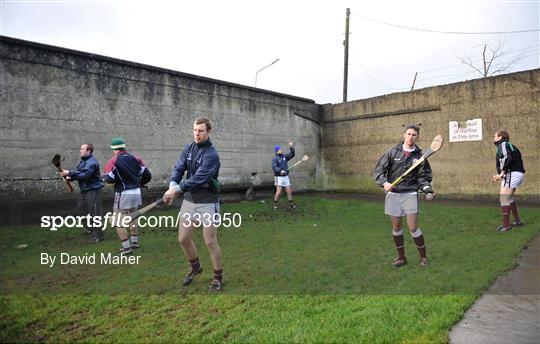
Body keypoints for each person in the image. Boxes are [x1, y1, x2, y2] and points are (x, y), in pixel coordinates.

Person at [163, 116, 223, 292]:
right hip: (190, 200)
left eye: (201, 131)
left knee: (210, 242)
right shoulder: (188, 148)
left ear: (208, 131)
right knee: (183, 238)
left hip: (207, 201)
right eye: (195, 130)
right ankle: (196, 267)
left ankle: (218, 277)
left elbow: (199, 178)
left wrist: (177, 189)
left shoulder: (212, 155)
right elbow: (179, 168)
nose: (197, 134)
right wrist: (172, 184)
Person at [374, 124, 435, 267]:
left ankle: (423, 258)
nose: (411, 137)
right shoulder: (392, 152)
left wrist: (427, 189)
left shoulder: (420, 156)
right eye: (409, 134)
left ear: (417, 137)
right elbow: (379, 171)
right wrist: (384, 183)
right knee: (396, 227)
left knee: (413, 227)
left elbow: (423, 176)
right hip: (394, 193)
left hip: (410, 193)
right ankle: (401, 258)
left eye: (414, 135)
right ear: (404, 135)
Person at [103, 137, 151, 255]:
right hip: (136, 192)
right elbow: (147, 175)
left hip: (123, 193)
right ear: (124, 147)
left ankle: (126, 248)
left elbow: (108, 179)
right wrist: (139, 183)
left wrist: (111, 180)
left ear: (113, 149)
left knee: (118, 221)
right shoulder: (136, 158)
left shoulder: (113, 161)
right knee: (132, 216)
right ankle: (134, 242)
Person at [60, 143, 104, 243]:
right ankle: (90, 229)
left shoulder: (92, 162)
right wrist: (70, 178)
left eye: (82, 149)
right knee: (81, 210)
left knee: (95, 213)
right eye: (81, 149)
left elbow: (85, 175)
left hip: (93, 191)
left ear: (89, 151)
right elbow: (79, 173)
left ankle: (98, 236)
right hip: (84, 190)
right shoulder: (82, 161)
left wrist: (69, 173)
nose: (80, 150)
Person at [491, 130, 525, 232]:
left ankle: (506, 226)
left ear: (500, 137)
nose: (493, 138)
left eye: (495, 136)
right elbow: (507, 160)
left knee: (503, 199)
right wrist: (500, 175)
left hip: (512, 173)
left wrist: (501, 174)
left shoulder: (504, 144)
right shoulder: (507, 145)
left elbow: (508, 159)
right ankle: (518, 221)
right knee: (508, 199)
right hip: (515, 173)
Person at [271, 140, 296, 210]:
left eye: (281, 149)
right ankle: (275, 204)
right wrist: (280, 171)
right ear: (277, 151)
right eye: (280, 149)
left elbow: (292, 154)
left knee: (289, 191)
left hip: (285, 177)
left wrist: (291, 146)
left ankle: (291, 204)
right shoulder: (275, 158)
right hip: (279, 177)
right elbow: (274, 167)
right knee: (278, 192)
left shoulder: (285, 156)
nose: (281, 149)